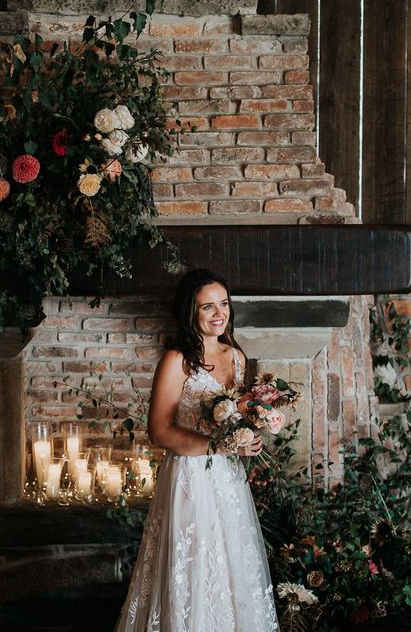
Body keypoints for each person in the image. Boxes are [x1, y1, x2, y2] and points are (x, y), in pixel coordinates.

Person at [115, 268, 279, 632]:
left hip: (228, 477)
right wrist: (217, 445)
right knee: (194, 564)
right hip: (191, 474)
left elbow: (236, 415)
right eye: (208, 307)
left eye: (223, 304)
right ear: (191, 312)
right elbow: (158, 430)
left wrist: (250, 436)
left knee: (231, 563)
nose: (219, 314)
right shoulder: (177, 360)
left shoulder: (236, 357)